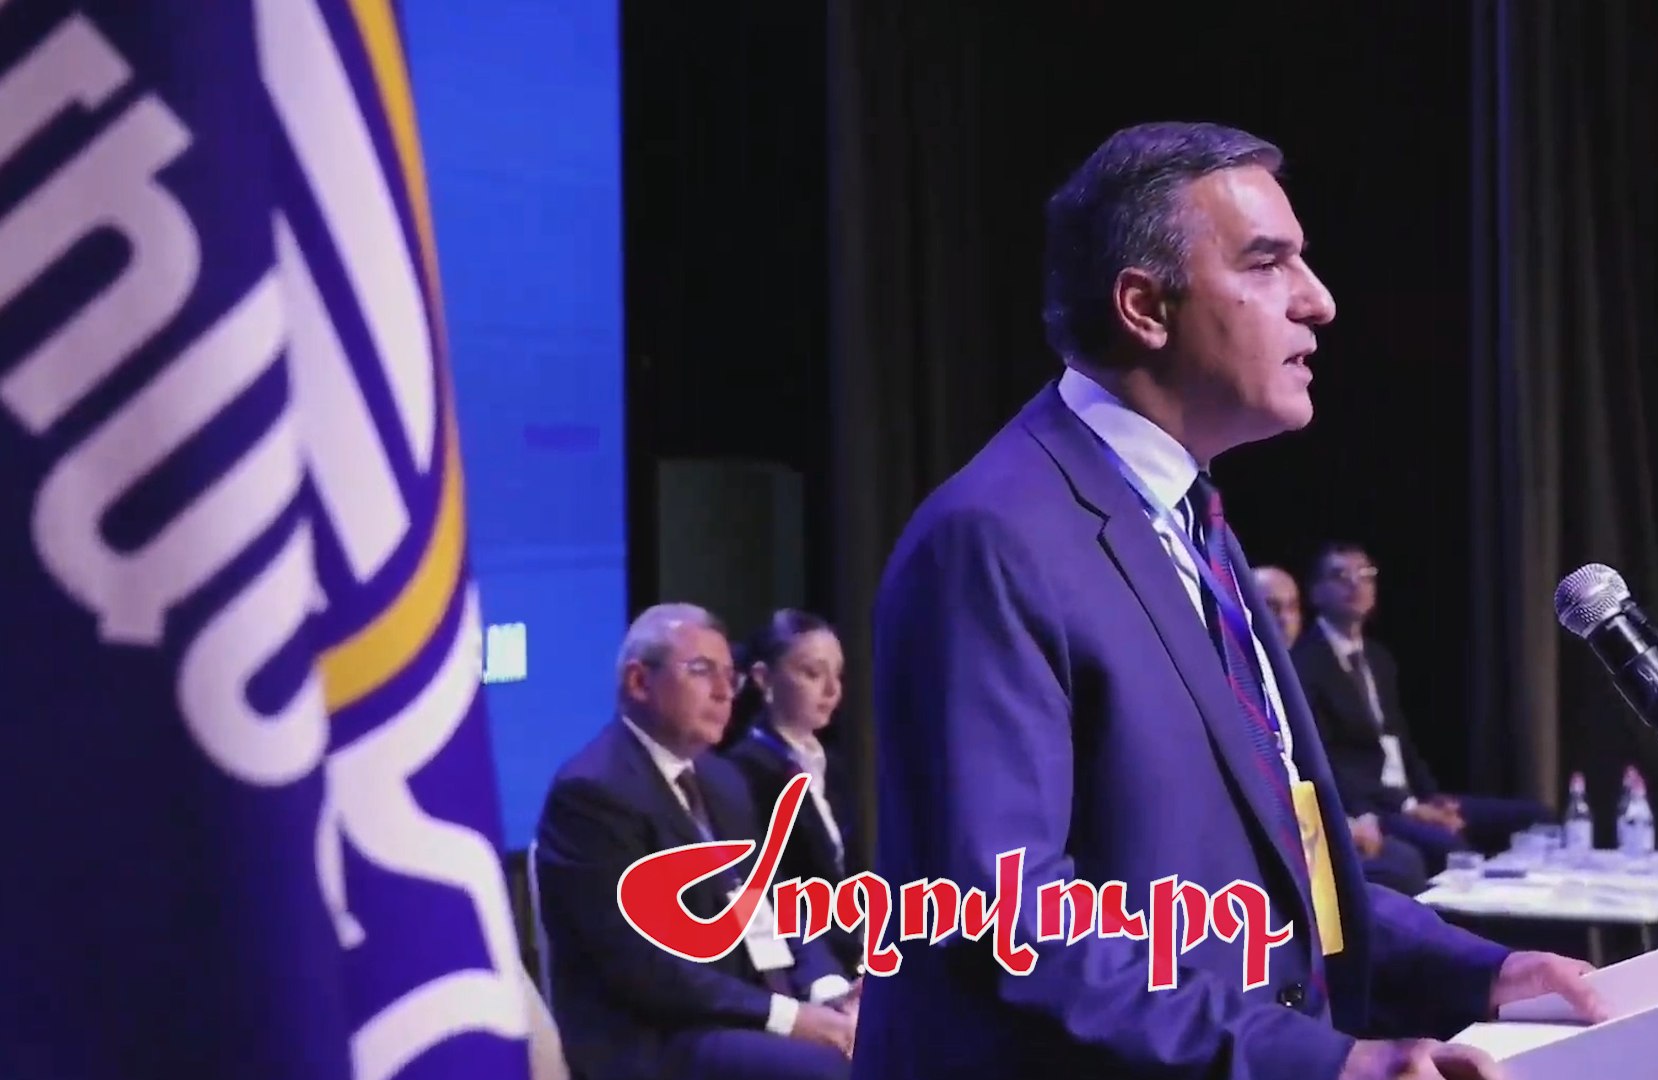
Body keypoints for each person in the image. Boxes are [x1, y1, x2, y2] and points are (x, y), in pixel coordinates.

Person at [853, 122, 1604, 1080]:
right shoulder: (993, 538)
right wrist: (1318, 1064)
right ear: (1144, 307)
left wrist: (1481, 972)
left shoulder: (1191, 521)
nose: (1318, 301)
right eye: (1266, 262)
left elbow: (1284, 874)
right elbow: (1010, 920)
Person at [533, 604, 859, 1080]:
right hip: (656, 1039)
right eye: (702, 671)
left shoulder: (722, 779)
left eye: (730, 675)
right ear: (639, 682)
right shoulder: (592, 793)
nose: (725, 692)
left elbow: (771, 900)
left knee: (897, 1037)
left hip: (742, 1018)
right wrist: (790, 1017)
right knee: (832, 1069)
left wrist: (829, 992)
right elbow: (643, 967)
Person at [1292, 543, 1553, 874]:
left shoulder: (1378, 659)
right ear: (1315, 593)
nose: (1355, 584)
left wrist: (1432, 799)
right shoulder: (1305, 663)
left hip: (1409, 796)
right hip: (1371, 806)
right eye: (1341, 576)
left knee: (1536, 819)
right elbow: (1328, 761)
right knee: (1452, 849)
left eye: (1365, 574)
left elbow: (1398, 741)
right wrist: (1408, 806)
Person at [1256, 564, 1428, 896]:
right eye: (1271, 607)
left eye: (1291, 608)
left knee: (1405, 860)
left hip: (1319, 817)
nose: (1284, 619)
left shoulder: (1286, 679)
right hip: (1279, 835)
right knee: (1403, 865)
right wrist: (1345, 824)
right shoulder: (1245, 683)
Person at [724, 609, 865, 975]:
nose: (832, 690)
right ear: (764, 678)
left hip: (850, 953)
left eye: (837, 675)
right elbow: (760, 892)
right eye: (813, 673)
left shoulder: (831, 766)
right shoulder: (743, 770)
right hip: (800, 964)